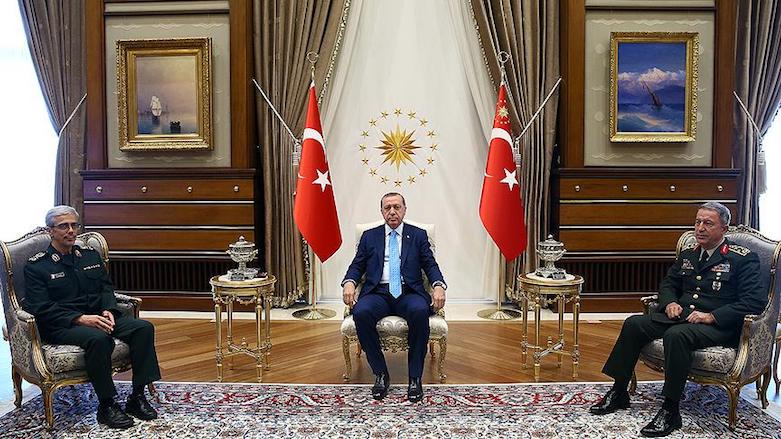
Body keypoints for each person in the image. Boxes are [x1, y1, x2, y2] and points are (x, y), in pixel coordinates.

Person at [590, 202, 766, 437]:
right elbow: (668, 284)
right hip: (682, 316)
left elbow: (754, 302)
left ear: (724, 228)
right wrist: (669, 303)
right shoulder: (689, 254)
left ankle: (670, 410)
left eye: (708, 223)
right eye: (697, 222)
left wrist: (712, 316)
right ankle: (619, 391)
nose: (700, 228)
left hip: (718, 326)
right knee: (634, 324)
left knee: (677, 335)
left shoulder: (742, 259)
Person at [24, 206, 162, 429]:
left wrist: (109, 309)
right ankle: (107, 405)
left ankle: (137, 397)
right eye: (63, 226)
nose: (71, 230)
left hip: (99, 318)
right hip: (63, 324)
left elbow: (106, 289)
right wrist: (80, 318)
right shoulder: (37, 266)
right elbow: (41, 307)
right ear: (50, 231)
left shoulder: (89, 256)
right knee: (98, 340)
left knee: (143, 327)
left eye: (74, 225)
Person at [342, 193, 446, 402]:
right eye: (387, 207)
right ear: (381, 212)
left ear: (404, 209)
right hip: (378, 292)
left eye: (397, 207)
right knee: (361, 312)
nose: (392, 212)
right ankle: (380, 374)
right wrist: (349, 282)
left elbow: (430, 264)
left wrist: (438, 285)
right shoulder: (369, 236)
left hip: (409, 292)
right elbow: (357, 265)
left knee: (418, 311)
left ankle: (415, 378)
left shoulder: (418, 235)